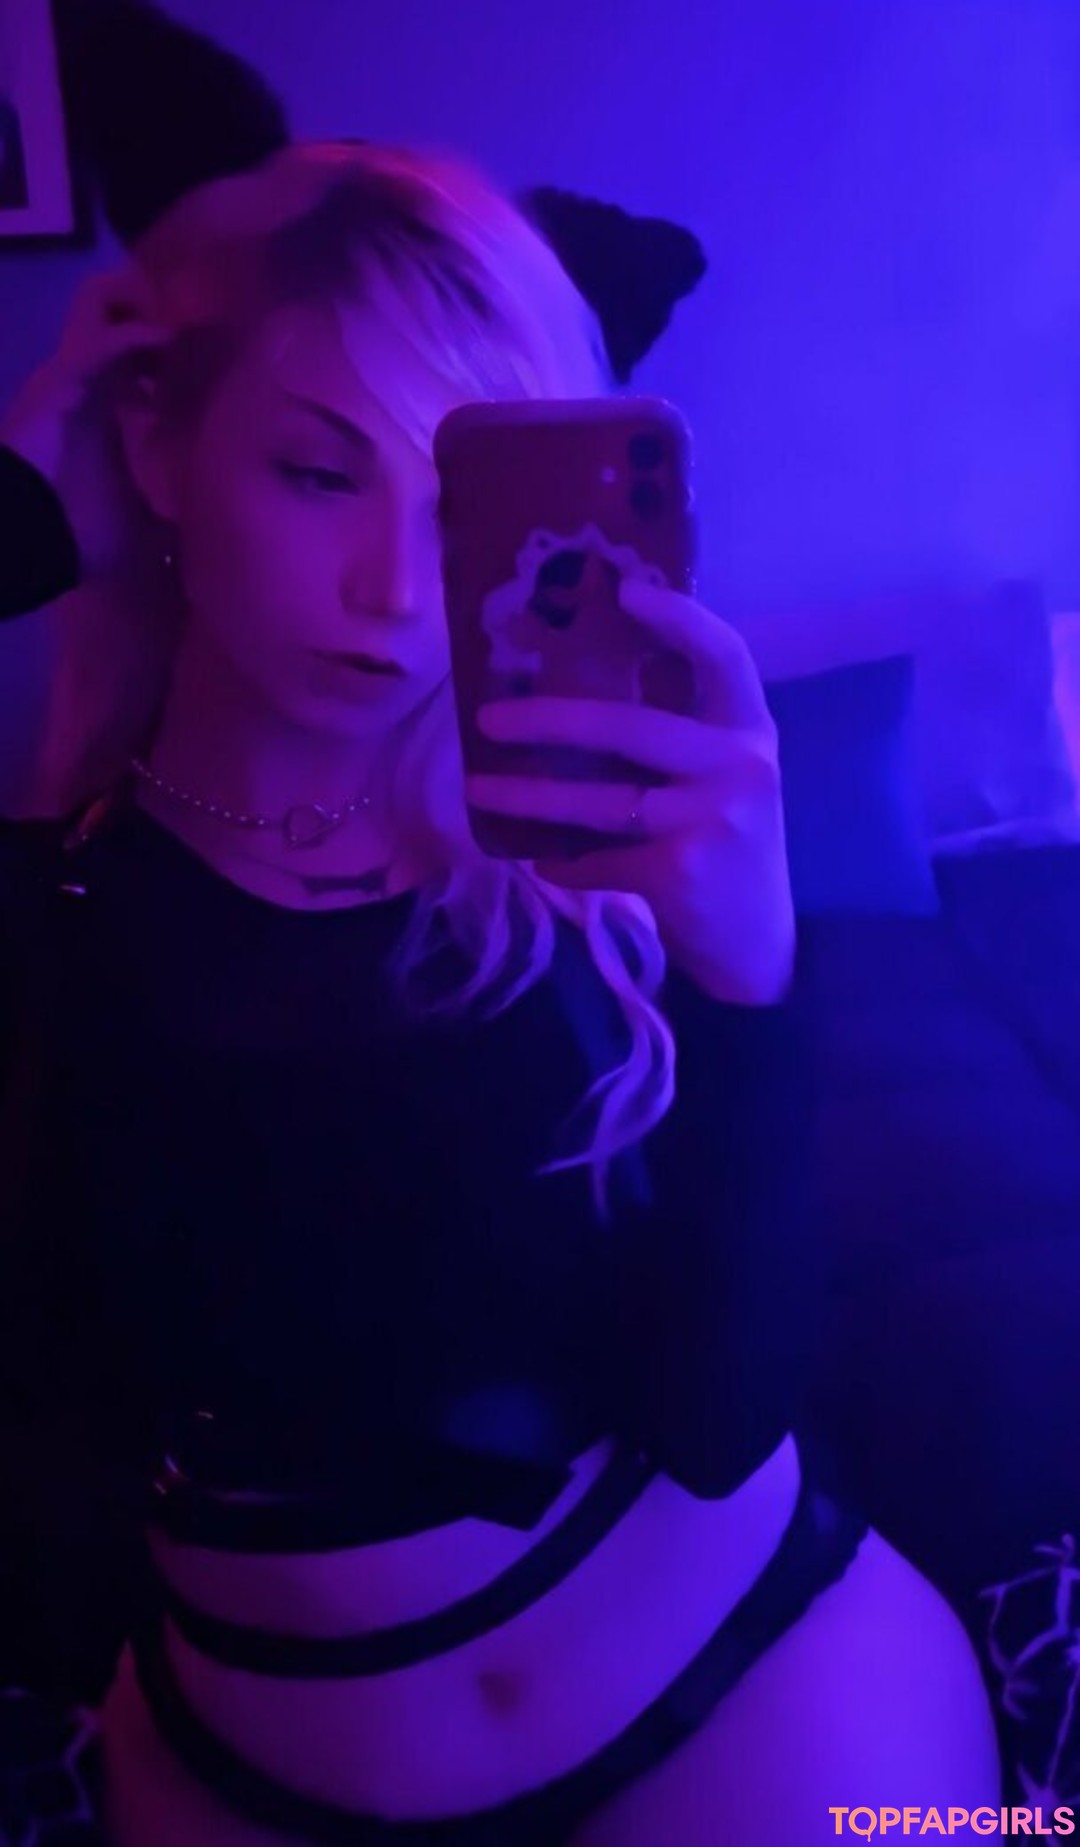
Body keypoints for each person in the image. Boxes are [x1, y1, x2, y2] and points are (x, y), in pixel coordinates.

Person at [0, 141, 998, 1846]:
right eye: (319, 474)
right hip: (252, 1766)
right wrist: (25, 517)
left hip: (754, 1697)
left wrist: (752, 981)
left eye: (454, 508)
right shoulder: (60, 907)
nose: (397, 594)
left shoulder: (588, 877)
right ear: (163, 449)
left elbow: (724, 1412)